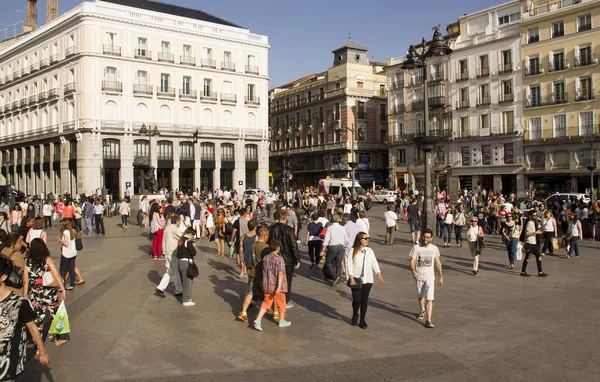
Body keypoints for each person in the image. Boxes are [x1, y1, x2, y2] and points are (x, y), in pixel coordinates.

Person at [0, 256, 50, 380]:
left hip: (7, 362)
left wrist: (42, 352)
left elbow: (32, 328)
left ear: (3, 277)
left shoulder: (19, 304)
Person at [23, 238, 69, 346]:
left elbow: (26, 280)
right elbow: (57, 275)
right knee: (55, 315)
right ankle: (58, 339)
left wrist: (25, 295)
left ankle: (38, 346)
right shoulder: (47, 259)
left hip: (36, 294)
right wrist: (63, 290)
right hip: (49, 294)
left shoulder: (27, 261)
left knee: (38, 320)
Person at [346, 232, 383, 329]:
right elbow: (349, 264)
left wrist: (378, 273)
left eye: (368, 238)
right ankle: (355, 314)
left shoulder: (369, 251)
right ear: (359, 240)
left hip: (368, 279)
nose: (367, 240)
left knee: (364, 300)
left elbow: (374, 262)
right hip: (356, 278)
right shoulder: (353, 251)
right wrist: (351, 277)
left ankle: (362, 319)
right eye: (365, 238)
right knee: (356, 300)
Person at [253, 240, 291, 331]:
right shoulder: (279, 259)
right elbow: (280, 273)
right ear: (278, 248)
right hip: (277, 286)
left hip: (267, 284)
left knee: (266, 302)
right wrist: (279, 287)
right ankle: (281, 320)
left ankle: (258, 319)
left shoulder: (266, 258)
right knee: (281, 303)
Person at [409, 228, 444, 329]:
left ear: (431, 238)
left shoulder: (434, 249)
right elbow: (412, 261)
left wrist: (441, 276)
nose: (426, 239)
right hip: (419, 276)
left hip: (430, 277)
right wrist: (413, 271)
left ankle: (428, 319)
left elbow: (438, 262)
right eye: (424, 237)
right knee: (420, 296)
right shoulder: (416, 248)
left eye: (428, 237)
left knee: (429, 299)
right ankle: (422, 309)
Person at [267, 210, 300, 307]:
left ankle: (273, 299)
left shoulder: (271, 228)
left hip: (274, 257)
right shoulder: (289, 229)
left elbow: (268, 242)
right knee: (287, 281)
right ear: (286, 218)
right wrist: (297, 259)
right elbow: (293, 245)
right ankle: (285, 300)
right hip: (287, 260)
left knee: (274, 279)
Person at [154, 216, 182, 298]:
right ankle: (179, 290)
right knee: (178, 272)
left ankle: (160, 288)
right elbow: (182, 236)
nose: (180, 223)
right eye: (179, 221)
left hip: (166, 252)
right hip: (172, 253)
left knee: (169, 271)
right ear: (176, 221)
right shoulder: (174, 228)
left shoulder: (167, 229)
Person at [320, 213, 348, 287]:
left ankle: (335, 276)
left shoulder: (330, 228)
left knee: (328, 262)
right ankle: (337, 281)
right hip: (341, 247)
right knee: (338, 264)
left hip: (332, 247)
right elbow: (346, 240)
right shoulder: (343, 228)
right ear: (339, 219)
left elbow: (326, 240)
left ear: (332, 219)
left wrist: (323, 250)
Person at [521, 211, 549, 277]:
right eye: (534, 215)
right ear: (530, 216)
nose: (535, 216)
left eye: (536, 215)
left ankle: (540, 272)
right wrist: (535, 233)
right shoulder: (529, 223)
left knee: (538, 257)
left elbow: (540, 226)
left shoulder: (534, 222)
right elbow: (527, 233)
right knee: (527, 257)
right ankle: (523, 271)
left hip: (534, 243)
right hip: (529, 243)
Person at [176, 228, 197, 307]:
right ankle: (186, 300)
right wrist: (193, 246)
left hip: (180, 262)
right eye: (193, 235)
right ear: (190, 234)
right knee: (187, 282)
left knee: (184, 280)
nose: (193, 237)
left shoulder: (180, 240)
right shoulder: (188, 241)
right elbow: (193, 253)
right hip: (186, 263)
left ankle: (187, 297)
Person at [58, 219, 78, 291]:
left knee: (62, 270)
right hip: (73, 252)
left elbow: (66, 243)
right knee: (71, 268)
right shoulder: (72, 230)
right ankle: (71, 284)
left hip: (66, 253)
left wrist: (60, 240)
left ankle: (62, 286)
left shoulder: (65, 232)